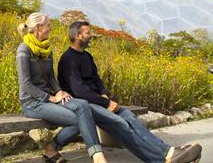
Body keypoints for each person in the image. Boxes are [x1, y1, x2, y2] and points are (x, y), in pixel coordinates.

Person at [57, 20, 202, 163]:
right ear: (77, 36)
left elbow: (96, 79)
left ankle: (167, 153)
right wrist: (106, 103)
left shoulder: (87, 56)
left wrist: (104, 93)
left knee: (129, 116)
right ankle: (164, 156)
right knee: (121, 124)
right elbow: (79, 91)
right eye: (88, 33)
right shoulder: (67, 60)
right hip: (84, 106)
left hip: (97, 100)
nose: (92, 35)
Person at [16, 13, 108, 163]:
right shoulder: (23, 50)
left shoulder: (47, 49)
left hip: (49, 99)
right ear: (39, 27)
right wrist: (51, 97)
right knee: (80, 120)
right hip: (32, 103)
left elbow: (51, 77)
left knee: (83, 105)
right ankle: (96, 156)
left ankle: (51, 150)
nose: (50, 29)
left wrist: (59, 91)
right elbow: (25, 84)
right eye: (48, 26)